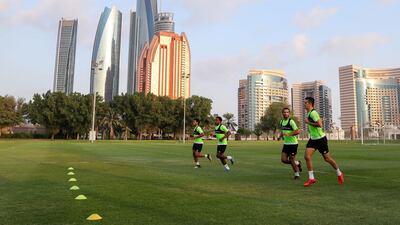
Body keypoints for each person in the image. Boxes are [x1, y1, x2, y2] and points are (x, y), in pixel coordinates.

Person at [303, 97, 344, 187]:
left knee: (327, 159)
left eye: (305, 102)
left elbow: (320, 125)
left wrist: (308, 122)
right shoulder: (310, 113)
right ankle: (311, 178)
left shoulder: (313, 113)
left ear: (310, 104)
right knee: (307, 156)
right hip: (313, 139)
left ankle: (339, 173)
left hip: (321, 139)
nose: (304, 104)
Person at [279, 108, 302, 179]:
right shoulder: (281, 122)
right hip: (286, 144)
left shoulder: (291, 122)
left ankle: (296, 174)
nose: (286, 113)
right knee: (283, 160)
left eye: (287, 112)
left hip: (293, 144)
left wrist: (289, 134)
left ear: (289, 113)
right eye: (284, 112)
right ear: (282, 113)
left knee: (291, 159)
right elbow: (283, 131)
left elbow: (297, 131)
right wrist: (280, 136)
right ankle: (297, 163)